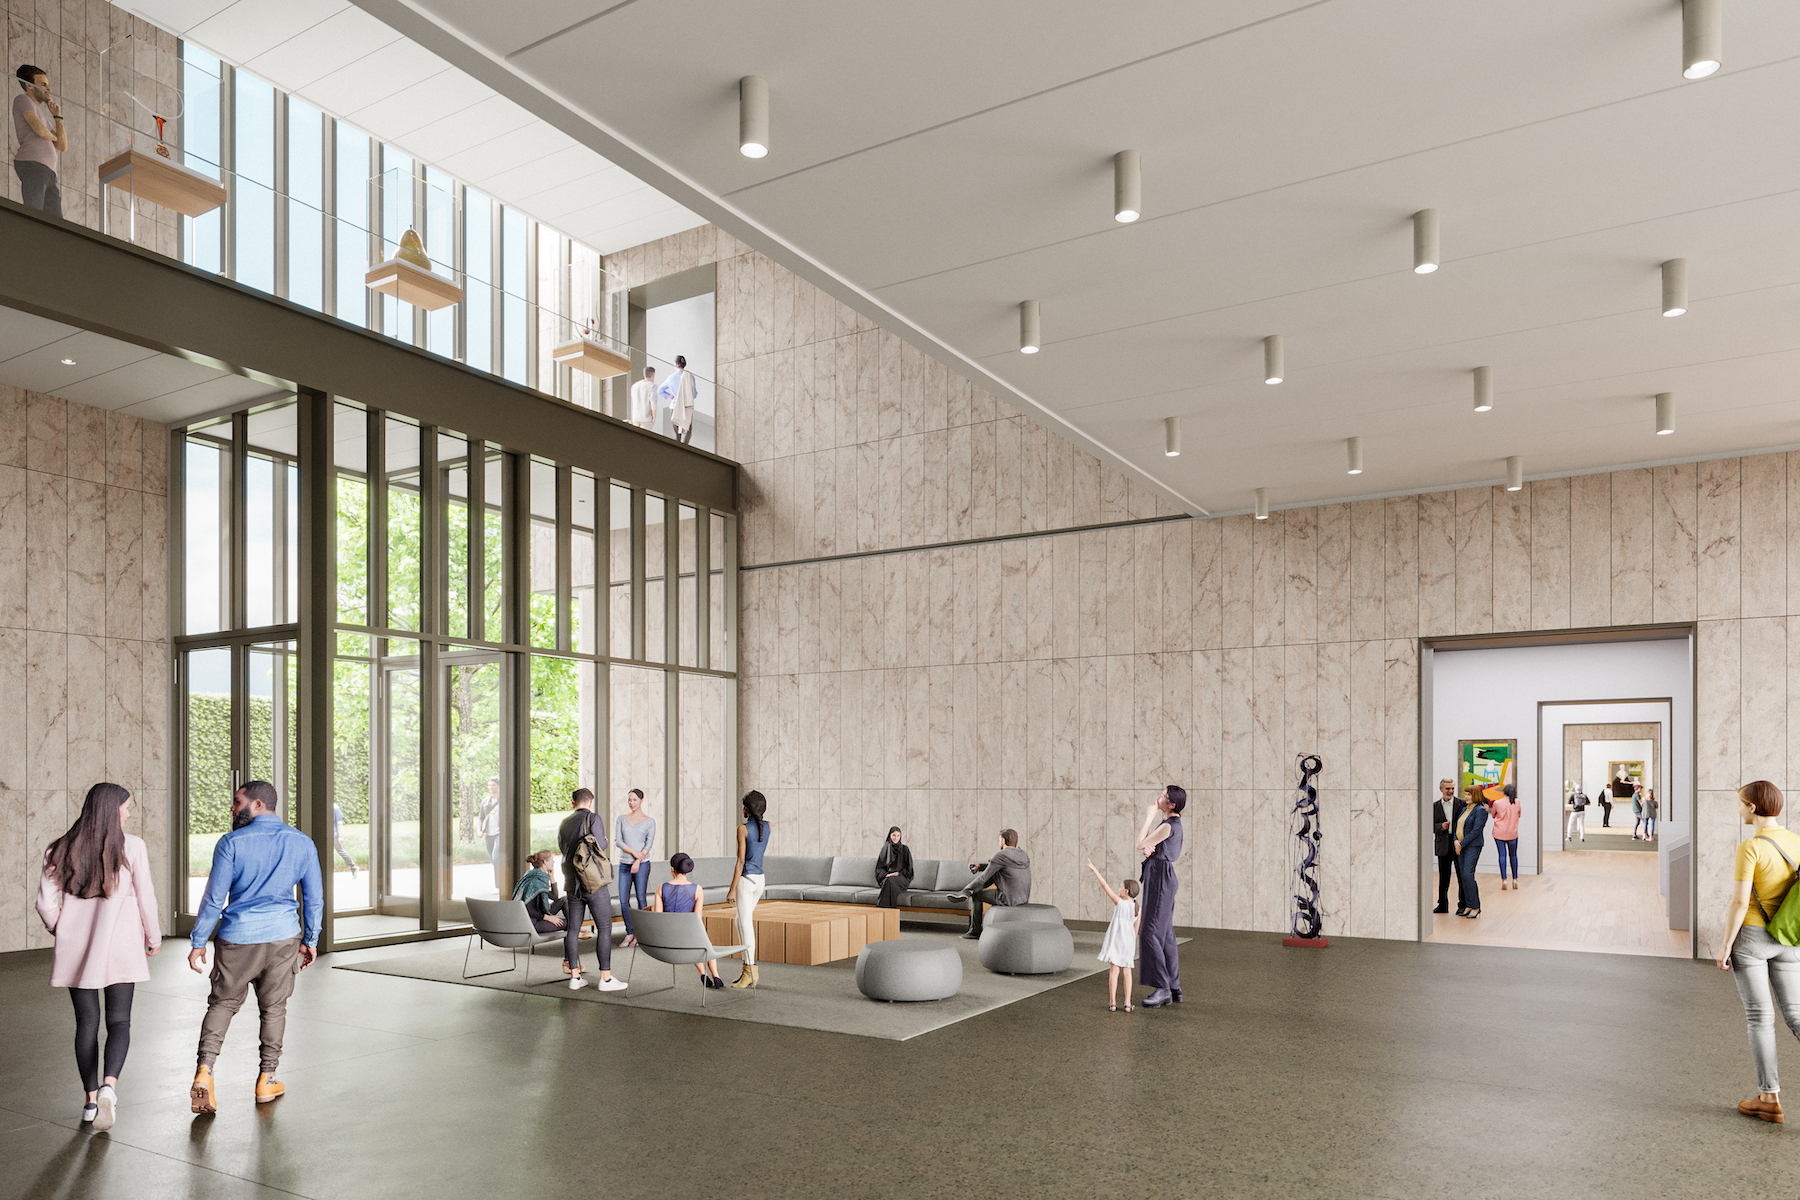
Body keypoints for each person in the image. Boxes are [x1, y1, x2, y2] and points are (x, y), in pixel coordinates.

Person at [187, 781, 322, 1114]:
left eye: (237, 802)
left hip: (238, 938)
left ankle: (205, 1070)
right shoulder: (302, 843)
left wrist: (199, 941)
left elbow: (215, 899)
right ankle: (267, 1079)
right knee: (274, 1008)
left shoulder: (231, 843)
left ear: (258, 804)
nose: (232, 809)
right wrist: (310, 939)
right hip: (283, 937)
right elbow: (314, 898)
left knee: (222, 1003)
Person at [35, 782, 161, 1132]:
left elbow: (46, 904)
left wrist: (63, 930)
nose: (130, 812)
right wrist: (153, 937)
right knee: (119, 1021)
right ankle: (110, 1088)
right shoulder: (132, 847)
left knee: (86, 1023)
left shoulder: (57, 849)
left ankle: (91, 1101)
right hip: (121, 947)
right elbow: (146, 897)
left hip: (77, 951)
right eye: (127, 806)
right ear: (111, 809)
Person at [1714, 780, 1800, 1124]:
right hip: (1788, 935)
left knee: (1760, 1018)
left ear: (1752, 808)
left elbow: (1738, 902)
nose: (1738, 809)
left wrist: (1724, 947)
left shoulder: (1750, 847)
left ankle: (1768, 1098)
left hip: (1751, 938)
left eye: (1740, 804)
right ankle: (1766, 1098)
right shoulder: (1796, 841)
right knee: (1796, 1014)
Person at [558, 788, 626, 992]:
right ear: (590, 802)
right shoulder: (593, 818)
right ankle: (605, 979)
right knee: (604, 928)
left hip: (572, 883)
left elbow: (563, 849)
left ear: (573, 803)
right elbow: (600, 846)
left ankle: (575, 977)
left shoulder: (564, 822)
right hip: (592, 882)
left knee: (573, 929)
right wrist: (603, 839)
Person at [1136, 786, 1186, 1008]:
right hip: (1161, 876)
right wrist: (1152, 849)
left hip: (1160, 879)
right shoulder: (1171, 825)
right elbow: (1153, 847)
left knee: (1149, 932)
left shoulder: (1168, 825)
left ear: (1172, 804)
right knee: (1165, 934)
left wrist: (1149, 816)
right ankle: (1173, 987)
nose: (1159, 797)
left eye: (1164, 796)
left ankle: (1162, 988)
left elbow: (1140, 844)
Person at [652, 853, 726, 987]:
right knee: (705, 944)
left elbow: (658, 917)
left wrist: (652, 908)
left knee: (694, 944)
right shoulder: (697, 889)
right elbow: (697, 918)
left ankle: (703, 974)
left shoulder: (661, 888)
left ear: (672, 869)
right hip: (689, 937)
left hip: (667, 938)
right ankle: (716, 975)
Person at [944, 828, 1032, 939]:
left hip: (1008, 898)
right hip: (1022, 897)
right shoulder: (1023, 855)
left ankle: (974, 930)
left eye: (999, 839)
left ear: (1003, 841)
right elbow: (999, 867)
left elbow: (983, 878)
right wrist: (980, 866)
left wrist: (968, 888)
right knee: (996, 873)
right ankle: (967, 892)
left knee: (977, 895)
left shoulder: (1001, 855)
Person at [725, 791, 770, 989]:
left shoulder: (742, 829)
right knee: (739, 921)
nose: (741, 808)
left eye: (743, 805)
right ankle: (747, 968)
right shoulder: (768, 826)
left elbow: (741, 861)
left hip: (746, 881)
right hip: (760, 880)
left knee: (745, 924)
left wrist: (732, 889)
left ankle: (750, 970)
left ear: (748, 808)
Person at [13, 65, 66, 218]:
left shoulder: (42, 114)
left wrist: (58, 117)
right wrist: (53, 136)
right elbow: (40, 130)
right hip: (33, 164)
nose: (48, 88)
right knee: (34, 211)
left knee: (56, 222)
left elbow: (62, 146)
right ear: (29, 85)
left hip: (49, 172)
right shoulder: (23, 100)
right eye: (43, 84)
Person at [1086, 860, 1139, 1013]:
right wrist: (1131, 941)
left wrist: (1095, 869)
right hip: (1128, 942)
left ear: (1127, 891)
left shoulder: (1120, 903)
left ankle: (1112, 1002)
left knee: (1114, 971)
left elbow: (1104, 886)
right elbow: (1136, 928)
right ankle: (1128, 1003)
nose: (1118, 889)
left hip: (1116, 940)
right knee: (1127, 972)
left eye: (1121, 887)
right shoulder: (1137, 908)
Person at [615, 788, 656, 947]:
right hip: (624, 864)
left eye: (634, 800)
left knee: (641, 898)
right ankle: (630, 932)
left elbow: (649, 843)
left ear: (641, 800)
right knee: (623, 900)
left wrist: (639, 860)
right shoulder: (621, 819)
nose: (631, 803)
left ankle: (641, 935)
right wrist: (634, 854)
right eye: (629, 800)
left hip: (643, 864)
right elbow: (618, 841)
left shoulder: (649, 821)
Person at [1454, 785, 1488, 919]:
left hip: (1472, 846)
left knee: (1468, 875)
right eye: (1466, 794)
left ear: (1476, 795)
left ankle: (1476, 906)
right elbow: (1457, 827)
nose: (1466, 797)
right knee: (1463, 876)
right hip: (1460, 846)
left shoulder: (1480, 810)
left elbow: (1476, 831)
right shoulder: (1464, 809)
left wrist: (1461, 844)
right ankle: (1468, 905)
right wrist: (1456, 841)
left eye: (1469, 794)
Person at [513, 851, 567, 933]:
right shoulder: (534, 882)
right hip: (532, 923)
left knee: (565, 899)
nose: (554, 862)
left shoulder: (539, 878)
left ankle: (575, 930)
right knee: (570, 924)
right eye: (552, 859)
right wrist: (548, 918)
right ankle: (576, 931)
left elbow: (554, 897)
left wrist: (551, 877)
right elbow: (528, 909)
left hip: (539, 915)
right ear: (545, 862)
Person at [1431, 779, 1461, 914]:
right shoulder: (1434, 806)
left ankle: (1462, 905)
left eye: (1452, 788)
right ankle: (1442, 905)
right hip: (1442, 845)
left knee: (1461, 876)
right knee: (1443, 877)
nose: (1450, 791)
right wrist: (1440, 827)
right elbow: (1429, 825)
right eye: (1448, 788)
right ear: (1441, 789)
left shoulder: (1461, 804)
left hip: (1458, 845)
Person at [1487, 783, 1522, 891]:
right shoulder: (1517, 802)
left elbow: (1493, 815)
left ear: (1504, 791)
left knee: (1502, 855)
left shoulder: (1497, 803)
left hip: (1499, 833)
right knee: (1513, 856)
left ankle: (1504, 880)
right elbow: (1519, 814)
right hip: (1512, 833)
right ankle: (1515, 879)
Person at [659, 354, 698, 444]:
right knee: (687, 431)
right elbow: (694, 394)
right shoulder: (690, 377)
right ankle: (685, 449)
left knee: (676, 433)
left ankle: (676, 451)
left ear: (675, 363)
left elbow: (660, 390)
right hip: (687, 407)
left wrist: (669, 395)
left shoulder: (671, 378)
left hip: (674, 406)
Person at [874, 825, 913, 909]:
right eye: (894, 835)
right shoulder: (885, 849)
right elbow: (879, 868)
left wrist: (896, 873)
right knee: (888, 881)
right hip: (888, 878)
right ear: (890, 836)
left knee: (889, 882)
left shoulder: (905, 849)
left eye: (898, 835)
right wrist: (887, 874)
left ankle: (880, 910)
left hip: (902, 877)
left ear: (900, 837)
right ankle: (890, 913)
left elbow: (909, 869)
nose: (896, 838)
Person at [478, 776, 504, 893]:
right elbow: (481, 818)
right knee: (494, 861)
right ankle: (503, 879)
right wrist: (480, 830)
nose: (491, 787)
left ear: (498, 786)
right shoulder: (485, 801)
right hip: (489, 834)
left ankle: (498, 886)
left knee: (496, 857)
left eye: (493, 785)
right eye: (489, 785)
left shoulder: (504, 800)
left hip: (500, 833)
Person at [331, 801, 357, 878]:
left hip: (335, 835)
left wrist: (340, 836)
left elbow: (339, 823)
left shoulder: (335, 808)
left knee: (340, 851)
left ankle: (353, 867)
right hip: (329, 834)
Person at [628, 366, 658, 431]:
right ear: (653, 375)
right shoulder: (652, 386)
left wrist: (632, 418)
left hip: (635, 418)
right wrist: (654, 417)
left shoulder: (634, 386)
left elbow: (632, 404)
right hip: (646, 418)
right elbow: (653, 401)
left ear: (644, 374)